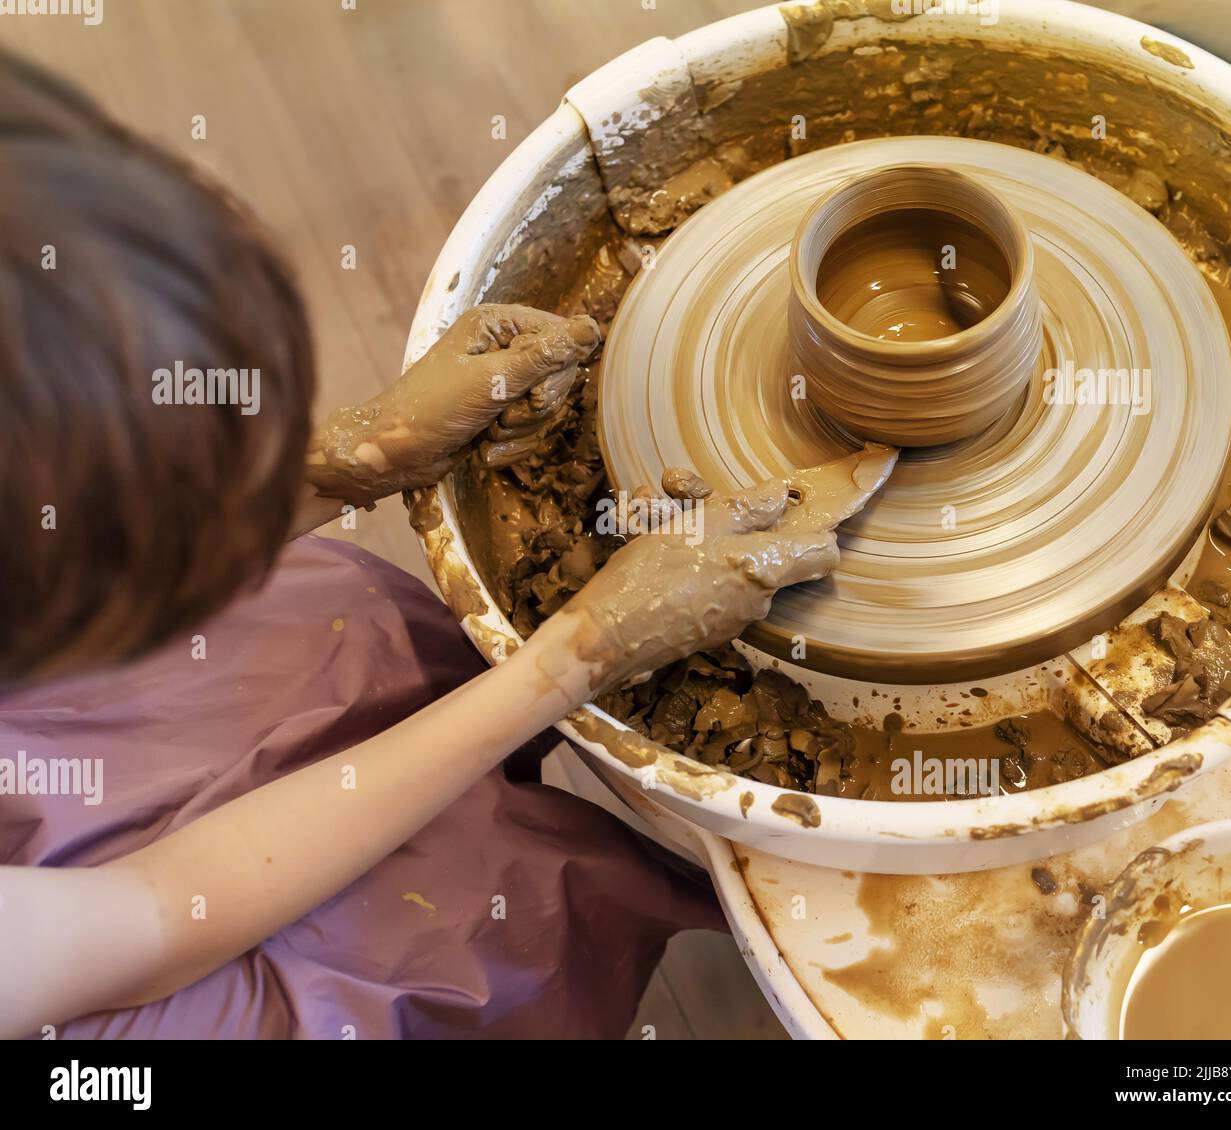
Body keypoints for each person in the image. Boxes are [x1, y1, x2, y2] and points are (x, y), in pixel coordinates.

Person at [0, 48, 878, 1038]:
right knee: (438, 924)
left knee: (309, 621)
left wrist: (350, 460)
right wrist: (576, 653)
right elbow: (165, 916)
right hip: (97, 979)